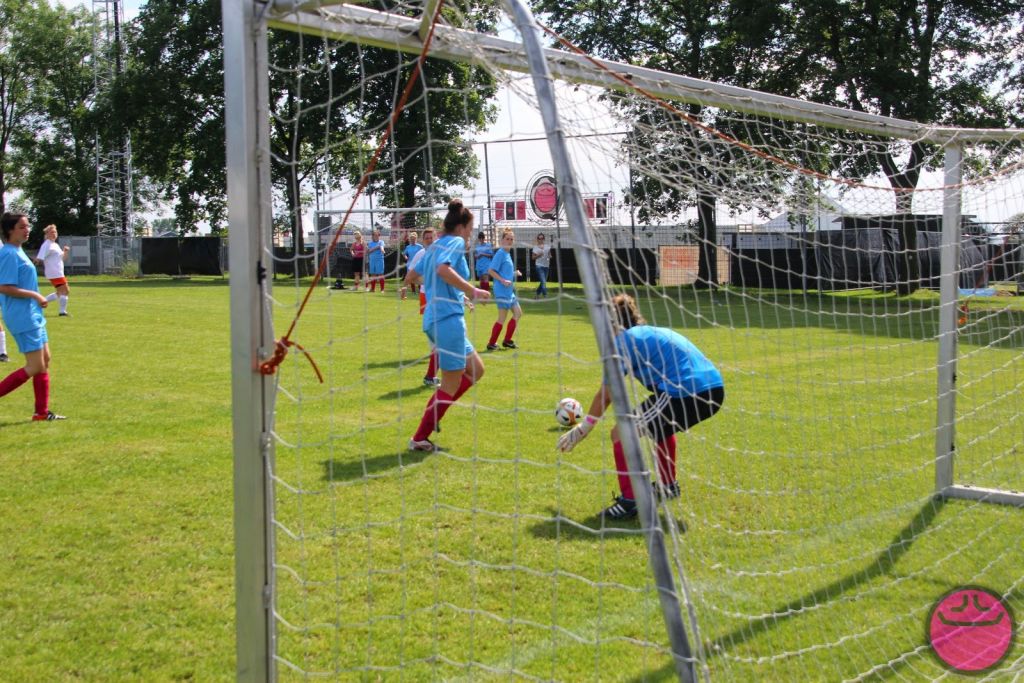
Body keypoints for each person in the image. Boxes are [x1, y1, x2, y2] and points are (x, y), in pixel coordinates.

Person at [557, 294, 723, 520]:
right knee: (660, 427)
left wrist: (583, 428)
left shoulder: (623, 342)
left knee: (620, 433)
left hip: (687, 391)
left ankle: (630, 500)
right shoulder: (644, 333)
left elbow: (607, 394)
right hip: (712, 388)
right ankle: (667, 485)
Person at [408, 200, 490, 452]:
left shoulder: (434, 246)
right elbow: (443, 270)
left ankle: (436, 411)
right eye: (470, 230)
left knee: (476, 370)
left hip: (435, 318)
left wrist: (447, 290)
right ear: (462, 227)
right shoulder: (454, 242)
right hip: (447, 320)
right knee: (450, 384)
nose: (470, 235)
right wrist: (472, 290)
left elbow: (411, 276)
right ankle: (420, 437)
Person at [0, 212, 65, 421]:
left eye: (28, 226)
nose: (27, 230)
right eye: (22, 227)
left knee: (44, 360)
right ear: (10, 230)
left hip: (32, 313)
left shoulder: (17, 250)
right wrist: (35, 295)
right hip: (22, 315)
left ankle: (41, 413)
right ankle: (41, 412)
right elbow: (4, 287)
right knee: (35, 365)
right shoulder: (8, 254)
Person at [402, 227, 440, 386]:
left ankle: (434, 369)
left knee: (440, 335)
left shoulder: (441, 253)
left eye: (432, 237)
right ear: (423, 241)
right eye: (427, 238)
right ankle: (433, 370)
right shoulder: (421, 254)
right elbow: (410, 275)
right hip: (426, 295)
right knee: (434, 331)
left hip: (441, 296)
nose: (430, 240)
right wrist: (425, 282)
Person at [485, 229, 523, 350]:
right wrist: (502, 280)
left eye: (511, 239)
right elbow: (491, 271)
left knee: (518, 313)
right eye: (507, 239)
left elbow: (505, 273)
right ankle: (491, 343)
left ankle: (507, 340)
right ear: (502, 241)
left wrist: (514, 273)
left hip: (509, 291)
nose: (510, 241)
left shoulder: (507, 254)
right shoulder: (500, 253)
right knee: (502, 318)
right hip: (502, 291)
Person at [34, 224, 71, 316]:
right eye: (51, 232)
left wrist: (65, 251)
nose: (54, 234)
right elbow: (39, 258)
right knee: (65, 290)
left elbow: (62, 258)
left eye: (55, 232)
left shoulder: (55, 245)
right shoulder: (46, 244)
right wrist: (32, 265)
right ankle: (62, 312)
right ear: (47, 234)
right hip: (54, 272)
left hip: (58, 271)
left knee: (60, 292)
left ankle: (40, 303)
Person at [531, 233, 551, 298]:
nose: (541, 240)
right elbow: (533, 258)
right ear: (537, 239)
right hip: (539, 266)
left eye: (542, 238)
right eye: (539, 238)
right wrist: (539, 255)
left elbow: (549, 255)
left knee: (543, 282)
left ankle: (537, 295)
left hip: (546, 266)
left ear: (544, 239)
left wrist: (549, 256)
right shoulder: (535, 247)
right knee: (543, 281)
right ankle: (545, 295)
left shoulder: (547, 247)